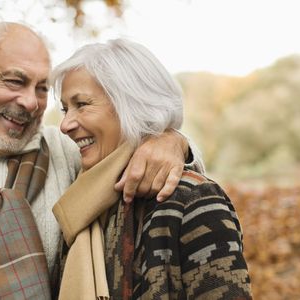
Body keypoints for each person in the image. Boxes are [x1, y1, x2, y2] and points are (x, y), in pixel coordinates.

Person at [0, 17, 203, 299]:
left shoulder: (65, 151)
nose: (31, 102)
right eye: (14, 81)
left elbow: (121, 144)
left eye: (42, 88)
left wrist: (170, 140)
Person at [52, 39, 252, 299]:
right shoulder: (83, 202)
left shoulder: (194, 200)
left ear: (132, 104)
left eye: (82, 105)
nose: (65, 125)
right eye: (65, 109)